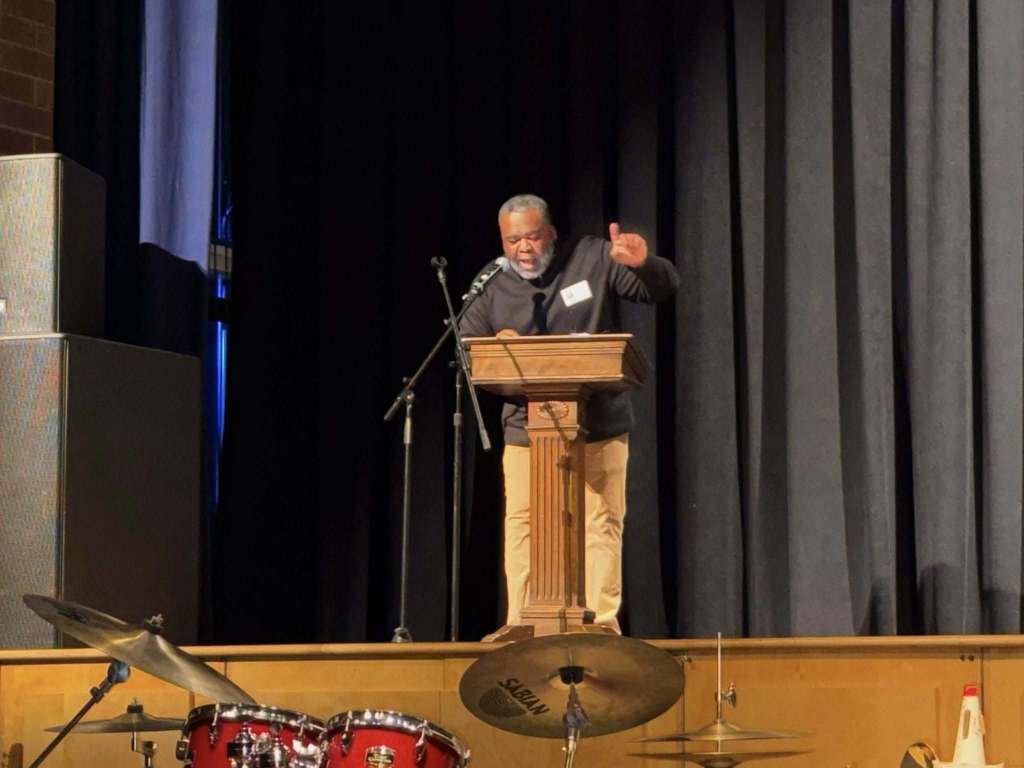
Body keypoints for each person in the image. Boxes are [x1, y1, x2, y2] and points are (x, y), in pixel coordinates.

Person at [459, 193, 679, 635]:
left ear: (552, 233)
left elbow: (660, 288)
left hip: (599, 425)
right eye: (513, 240)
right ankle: (521, 621)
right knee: (522, 524)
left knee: (600, 522)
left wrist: (643, 264)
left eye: (533, 236)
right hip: (527, 429)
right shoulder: (491, 283)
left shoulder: (593, 257)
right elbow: (469, 353)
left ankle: (599, 622)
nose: (523, 248)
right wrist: (505, 363)